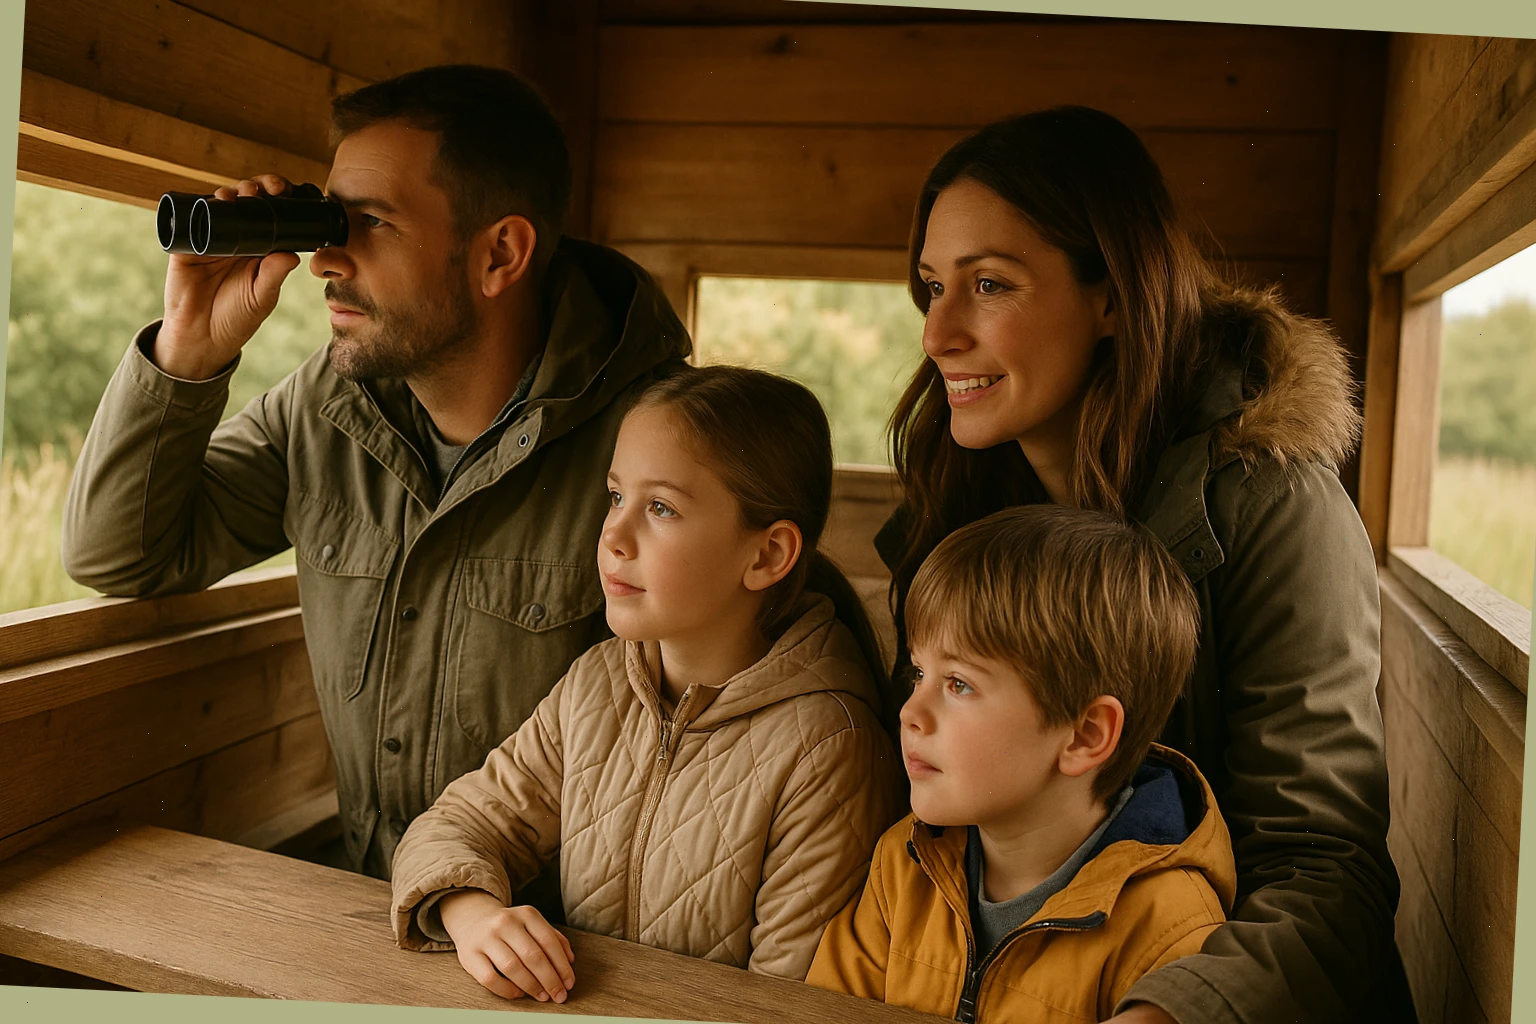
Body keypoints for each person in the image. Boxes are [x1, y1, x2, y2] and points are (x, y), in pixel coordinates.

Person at [60, 65, 691, 881]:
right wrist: (187, 350)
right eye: (327, 218)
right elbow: (120, 555)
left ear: (500, 252)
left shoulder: (658, 445)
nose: (325, 259)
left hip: (553, 952)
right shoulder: (327, 408)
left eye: (371, 224)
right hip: (368, 908)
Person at [875, 107, 1414, 1024]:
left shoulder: (1277, 504)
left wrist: (1170, 1013)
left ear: (1113, 297)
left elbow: (1325, 867)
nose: (939, 333)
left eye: (991, 285)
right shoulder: (955, 507)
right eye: (931, 286)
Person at [388, 365, 903, 1000]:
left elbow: (787, 1006)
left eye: (660, 507)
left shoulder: (828, 749)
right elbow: (459, 821)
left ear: (767, 555)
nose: (613, 534)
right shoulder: (598, 684)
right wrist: (473, 914)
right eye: (614, 497)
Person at [808, 505, 1235, 1022]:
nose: (910, 712)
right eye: (919, 673)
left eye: (958, 684)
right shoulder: (906, 862)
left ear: (1084, 735)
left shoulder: (1168, 926)